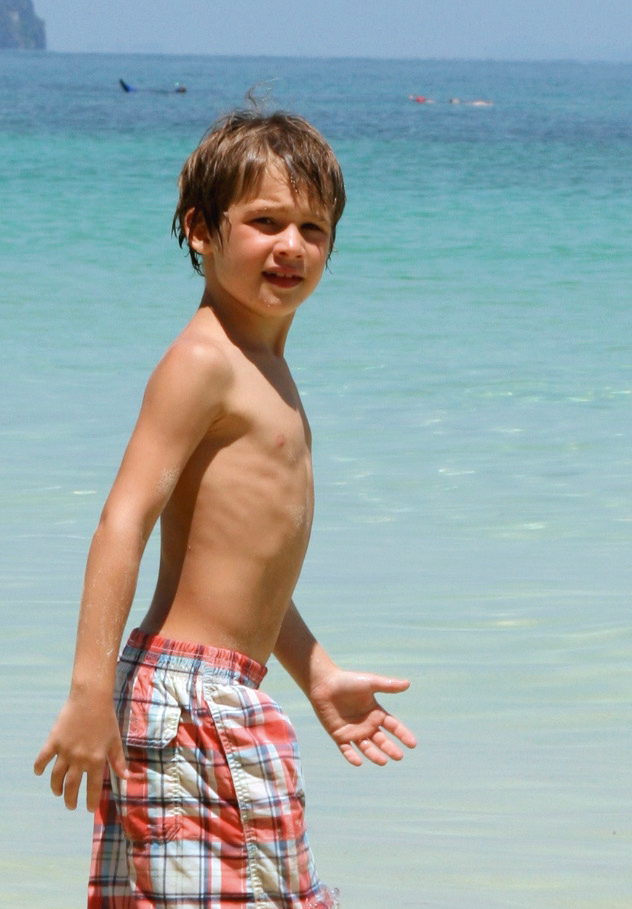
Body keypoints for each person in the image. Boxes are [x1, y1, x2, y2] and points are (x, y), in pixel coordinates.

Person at [34, 105, 415, 908]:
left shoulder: (264, 365)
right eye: (266, 221)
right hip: (187, 703)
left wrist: (314, 671)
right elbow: (123, 520)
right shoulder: (204, 359)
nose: (292, 246)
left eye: (313, 228)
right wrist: (87, 691)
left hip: (224, 693)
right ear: (201, 230)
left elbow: (241, 568)